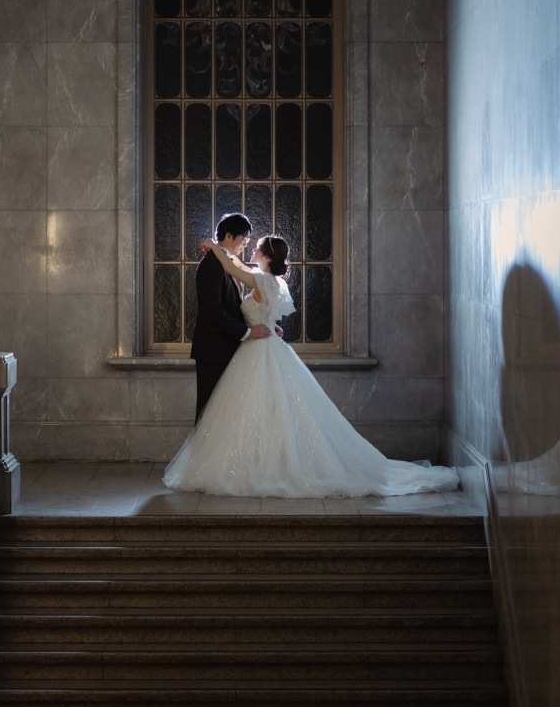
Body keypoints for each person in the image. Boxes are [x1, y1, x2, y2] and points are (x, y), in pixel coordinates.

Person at [165, 234, 459, 498]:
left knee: (265, 407)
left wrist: (213, 246)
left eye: (256, 248)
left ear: (266, 256)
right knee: (267, 409)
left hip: (258, 350)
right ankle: (265, 462)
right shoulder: (273, 281)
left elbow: (232, 269)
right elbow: (264, 310)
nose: (251, 250)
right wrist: (268, 325)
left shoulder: (264, 279)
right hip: (262, 344)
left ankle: (268, 467)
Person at [189, 212, 272, 423]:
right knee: (209, 411)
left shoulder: (224, 261)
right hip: (213, 351)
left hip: (227, 348)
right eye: (244, 238)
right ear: (229, 235)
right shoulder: (212, 264)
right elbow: (213, 310)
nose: (246, 243)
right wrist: (247, 332)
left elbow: (233, 307)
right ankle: (202, 456)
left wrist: (262, 325)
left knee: (223, 415)